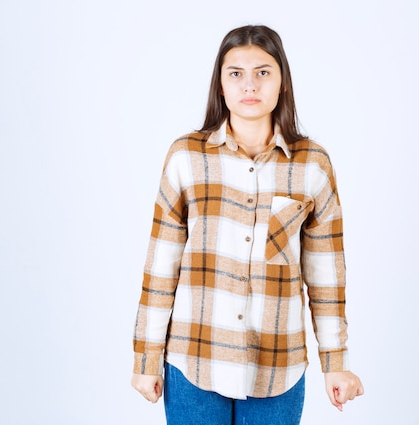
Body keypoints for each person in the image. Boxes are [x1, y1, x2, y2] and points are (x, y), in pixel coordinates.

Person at [131, 24, 363, 425]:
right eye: (235, 73)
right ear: (220, 85)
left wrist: (335, 363)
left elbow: (326, 275)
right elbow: (161, 265)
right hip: (194, 363)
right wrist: (146, 358)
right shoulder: (186, 157)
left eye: (263, 71)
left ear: (282, 83)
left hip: (278, 368)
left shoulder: (312, 166)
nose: (249, 84)